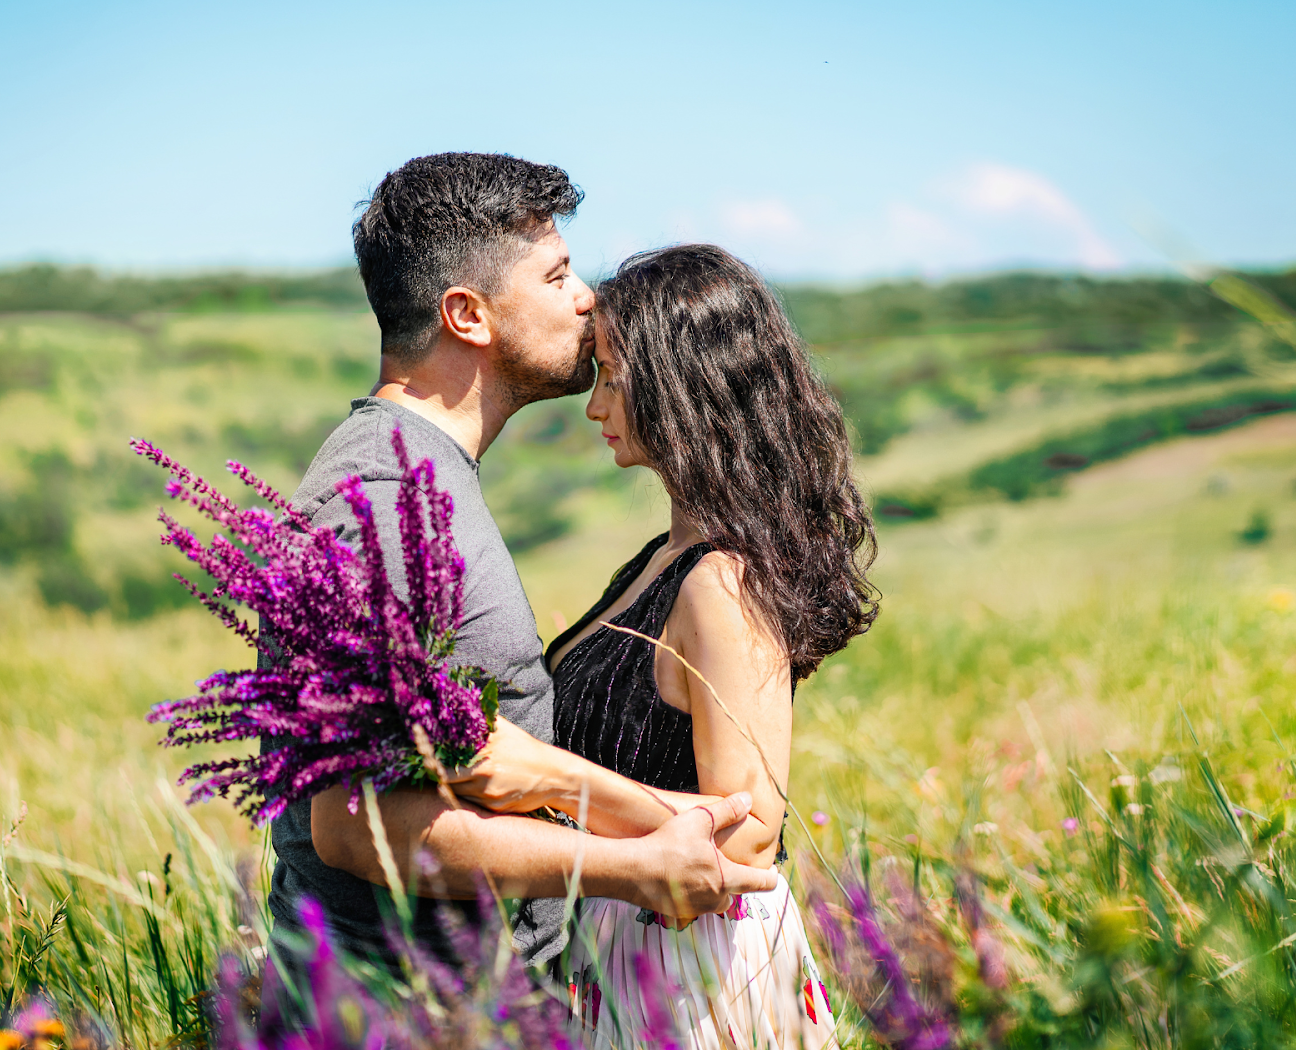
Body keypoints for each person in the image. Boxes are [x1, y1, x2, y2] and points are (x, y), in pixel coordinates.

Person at [265, 155, 779, 983]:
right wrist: (628, 865)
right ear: (467, 315)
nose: (587, 298)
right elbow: (355, 826)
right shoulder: (389, 503)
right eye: (558, 274)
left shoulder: (418, 481)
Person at [449, 244, 880, 1047]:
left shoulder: (720, 584)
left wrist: (546, 780)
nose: (593, 405)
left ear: (682, 384)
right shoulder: (662, 559)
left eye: (611, 376)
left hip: (696, 969)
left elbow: (748, 835)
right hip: (635, 946)